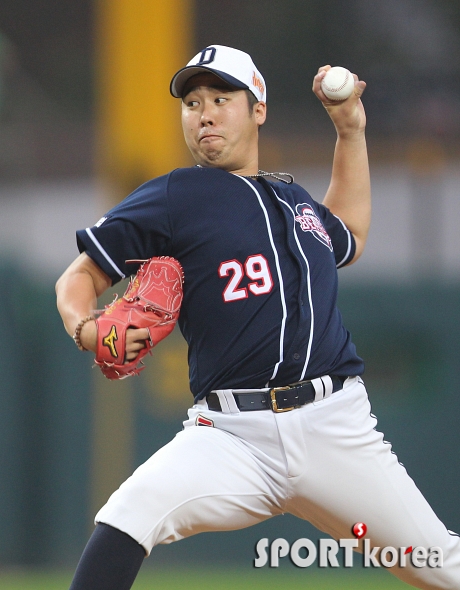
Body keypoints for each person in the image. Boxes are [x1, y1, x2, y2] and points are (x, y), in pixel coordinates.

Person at [56, 45, 460, 590]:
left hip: (334, 426)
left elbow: (352, 234)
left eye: (222, 98)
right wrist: (84, 326)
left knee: (444, 569)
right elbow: (78, 277)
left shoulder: (293, 200)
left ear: (258, 109)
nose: (205, 113)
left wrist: (351, 133)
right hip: (229, 435)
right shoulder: (176, 195)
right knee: (127, 516)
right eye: (192, 102)